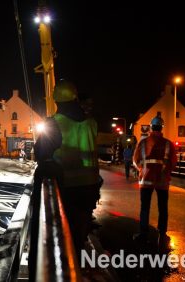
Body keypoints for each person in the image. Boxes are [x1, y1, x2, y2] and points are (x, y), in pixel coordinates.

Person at [34, 79, 103, 251]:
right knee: (80, 234)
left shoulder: (54, 123)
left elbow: (40, 154)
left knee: (65, 238)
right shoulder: (91, 122)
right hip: (90, 187)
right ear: (75, 99)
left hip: (67, 188)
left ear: (56, 101)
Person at [132, 116, 177, 249]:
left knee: (145, 207)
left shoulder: (143, 142)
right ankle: (162, 234)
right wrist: (165, 171)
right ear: (162, 127)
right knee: (163, 208)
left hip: (146, 180)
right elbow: (173, 162)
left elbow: (135, 160)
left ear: (151, 127)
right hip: (162, 181)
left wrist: (142, 169)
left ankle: (143, 233)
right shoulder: (168, 144)